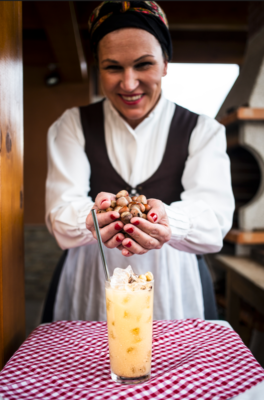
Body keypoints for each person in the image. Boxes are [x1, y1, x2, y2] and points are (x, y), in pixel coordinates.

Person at [42, 1, 234, 323]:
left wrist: (168, 222)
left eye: (143, 65)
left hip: (175, 285)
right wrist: (92, 219)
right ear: (97, 66)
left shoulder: (203, 130)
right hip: (92, 280)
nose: (128, 84)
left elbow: (215, 222)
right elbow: (60, 213)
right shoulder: (72, 125)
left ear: (165, 64)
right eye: (113, 67)